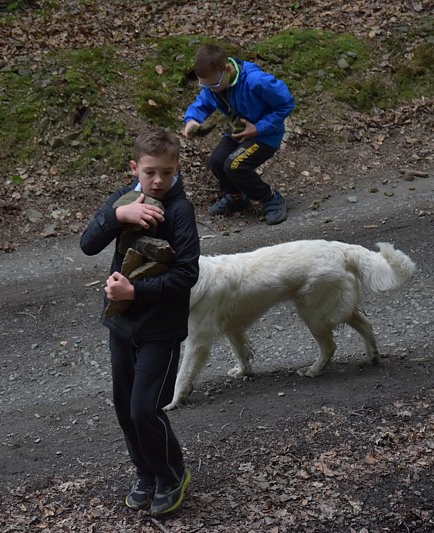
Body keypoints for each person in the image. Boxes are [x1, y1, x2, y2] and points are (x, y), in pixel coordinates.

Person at [79, 128, 199, 516]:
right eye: (150, 172)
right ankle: (146, 472)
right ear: (135, 168)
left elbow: (186, 274)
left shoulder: (180, 210)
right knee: (123, 405)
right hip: (122, 325)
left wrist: (136, 293)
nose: (158, 180)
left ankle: (171, 474)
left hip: (160, 329)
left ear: (177, 167)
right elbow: (88, 244)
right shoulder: (125, 199)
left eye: (166, 172)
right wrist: (117, 214)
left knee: (146, 409)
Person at [183, 43, 295, 225]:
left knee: (235, 165)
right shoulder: (215, 84)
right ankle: (237, 197)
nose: (211, 89)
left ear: (227, 69)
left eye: (215, 84)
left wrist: (258, 128)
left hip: (266, 135)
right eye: (205, 85)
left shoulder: (256, 81)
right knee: (217, 161)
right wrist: (192, 120)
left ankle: (270, 197)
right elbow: (202, 103)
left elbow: (286, 104)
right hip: (240, 131)